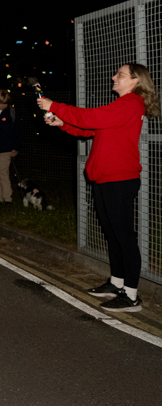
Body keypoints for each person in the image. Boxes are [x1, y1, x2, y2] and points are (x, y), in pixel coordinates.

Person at [39, 63, 159, 312]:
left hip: (119, 178)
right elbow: (90, 129)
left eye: (121, 75)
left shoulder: (131, 103)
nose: (114, 77)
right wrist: (61, 122)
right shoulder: (122, 106)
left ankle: (132, 296)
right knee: (112, 233)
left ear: (135, 81)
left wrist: (55, 106)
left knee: (124, 236)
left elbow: (92, 117)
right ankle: (116, 283)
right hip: (106, 177)